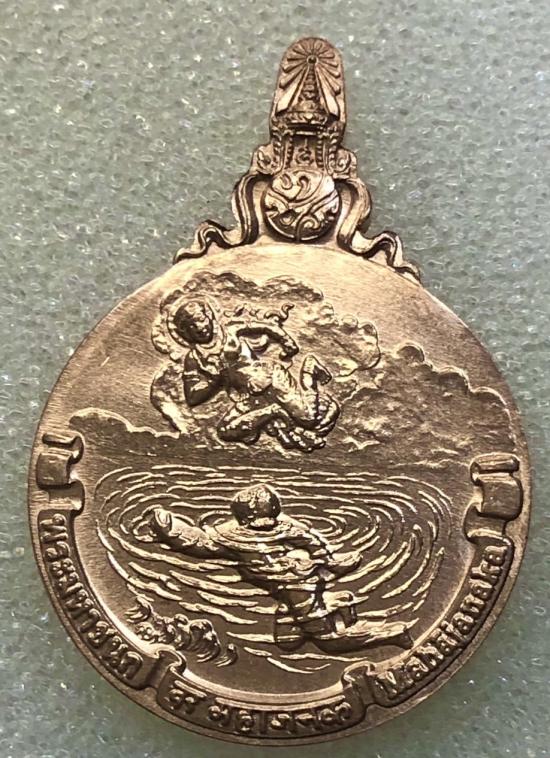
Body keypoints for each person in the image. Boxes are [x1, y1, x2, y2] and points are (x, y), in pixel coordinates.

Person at [147, 484, 412, 653]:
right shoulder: (231, 535)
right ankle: (340, 603)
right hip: (286, 587)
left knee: (330, 642)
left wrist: (327, 562)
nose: (262, 526)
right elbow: (199, 542)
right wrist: (168, 528)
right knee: (288, 642)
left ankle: (393, 633)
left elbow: (311, 541)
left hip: (300, 584)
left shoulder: (282, 528)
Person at [170, 298, 340, 451]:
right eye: (191, 326)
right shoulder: (194, 358)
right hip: (248, 396)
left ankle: (309, 369)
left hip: (269, 377)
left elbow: (266, 326)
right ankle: (273, 412)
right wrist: (214, 380)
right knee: (225, 431)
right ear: (185, 332)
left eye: (201, 319)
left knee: (308, 418)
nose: (199, 328)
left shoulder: (230, 330)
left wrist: (286, 341)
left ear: (209, 316)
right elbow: (192, 397)